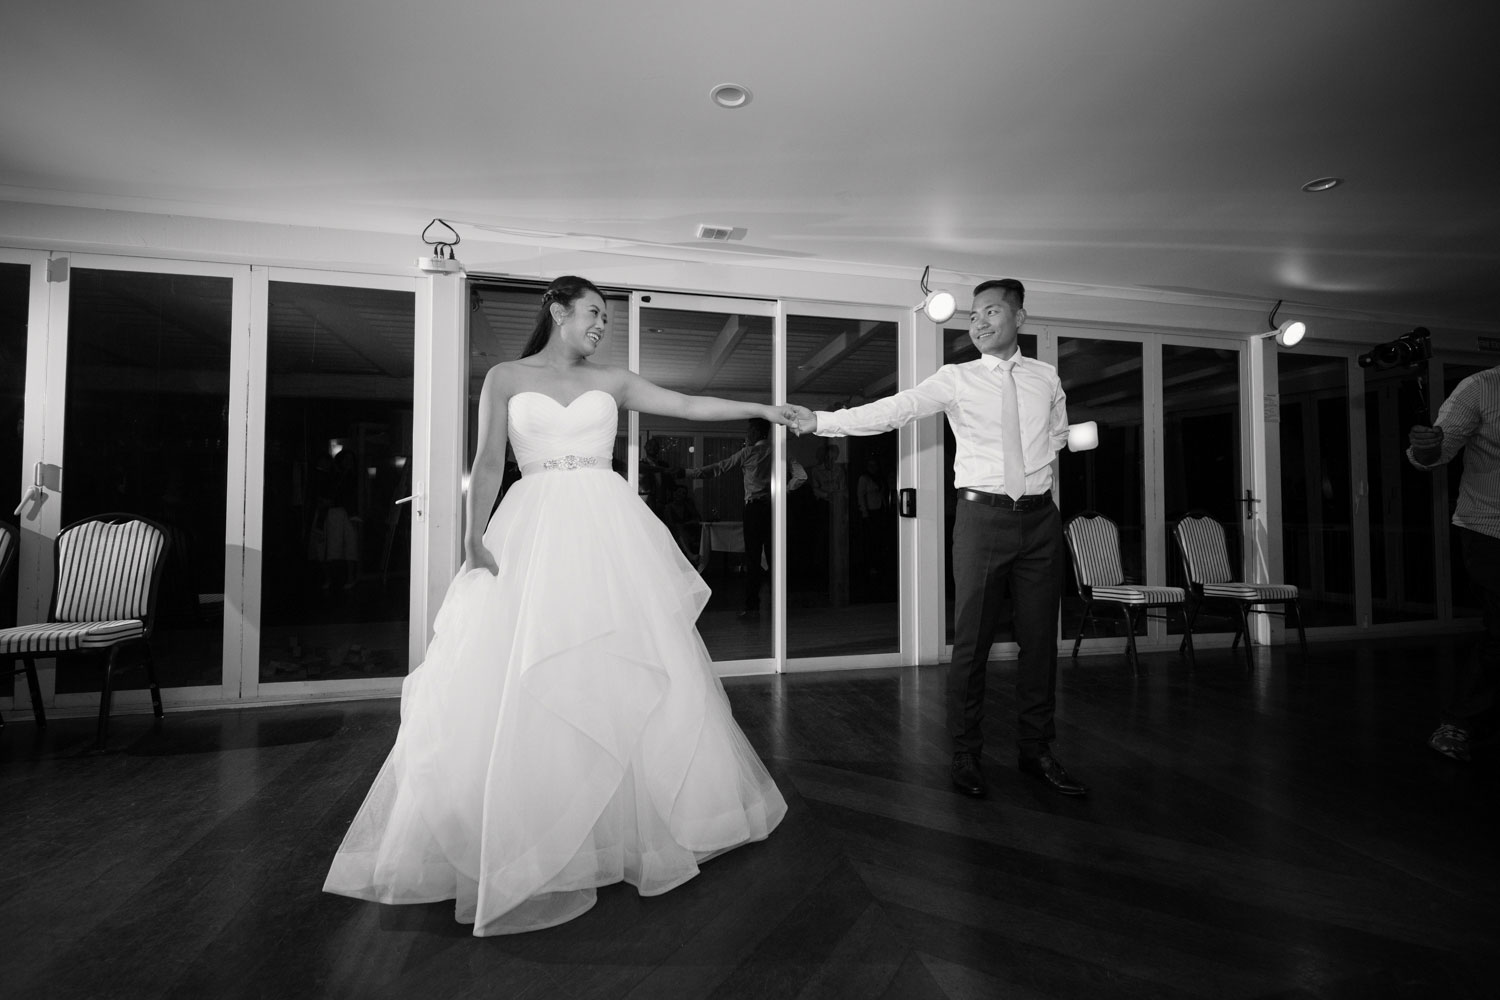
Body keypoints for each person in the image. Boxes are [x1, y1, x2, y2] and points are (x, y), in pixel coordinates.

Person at [324, 276, 791, 935]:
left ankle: (630, 831)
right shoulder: (507, 378)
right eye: (594, 313)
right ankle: (541, 831)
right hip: (534, 528)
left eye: (607, 316)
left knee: (623, 664)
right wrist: (472, 535)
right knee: (526, 671)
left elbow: (686, 403)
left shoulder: (617, 379)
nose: (602, 324)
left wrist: (764, 411)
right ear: (558, 310)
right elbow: (488, 462)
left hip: (609, 534)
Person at [790, 278, 1087, 798]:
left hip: (1041, 522)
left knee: (1041, 644)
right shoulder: (956, 378)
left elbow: (1057, 436)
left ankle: (1036, 749)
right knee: (971, 643)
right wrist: (822, 422)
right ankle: (966, 754)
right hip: (982, 521)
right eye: (973, 316)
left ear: (1019, 317)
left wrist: (1049, 469)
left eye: (991, 312)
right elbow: (896, 409)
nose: (978, 323)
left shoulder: (1047, 377)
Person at [1407, 364, 1500, 762]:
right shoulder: (1481, 387)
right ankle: (1460, 722)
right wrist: (1426, 444)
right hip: (1491, 529)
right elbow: (1432, 454)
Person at [685, 418, 807, 619]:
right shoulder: (780, 452)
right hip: (774, 508)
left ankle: (752, 608)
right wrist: (782, 492)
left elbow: (718, 468)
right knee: (775, 557)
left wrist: (687, 473)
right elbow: (801, 476)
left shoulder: (748, 453)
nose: (746, 435)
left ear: (757, 433)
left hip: (754, 510)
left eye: (749, 431)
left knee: (753, 558)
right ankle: (780, 608)